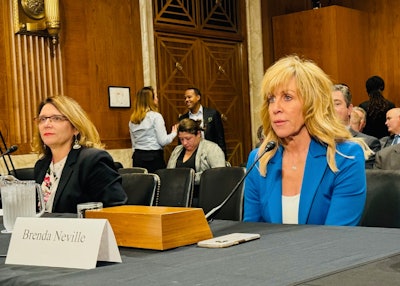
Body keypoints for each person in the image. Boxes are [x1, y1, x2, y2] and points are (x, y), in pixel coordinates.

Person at [244, 55, 371, 226]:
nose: (275, 108)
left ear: (313, 103)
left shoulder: (345, 157)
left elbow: (336, 239)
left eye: (287, 97)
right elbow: (252, 232)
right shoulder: (259, 160)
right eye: (271, 99)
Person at [32, 95, 127, 213]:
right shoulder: (41, 165)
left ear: (75, 127)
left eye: (56, 118)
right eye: (42, 119)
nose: (47, 124)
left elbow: (116, 211)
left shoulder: (93, 161)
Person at [167, 118, 226, 205]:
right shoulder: (177, 150)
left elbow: (218, 175)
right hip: (177, 197)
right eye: (181, 139)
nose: (184, 143)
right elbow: (168, 173)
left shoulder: (212, 149)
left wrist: (188, 179)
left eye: (188, 138)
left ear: (198, 134)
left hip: (202, 197)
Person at [129, 86, 177, 173]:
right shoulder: (156, 117)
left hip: (137, 157)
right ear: (150, 100)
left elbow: (134, 144)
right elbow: (163, 141)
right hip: (153, 158)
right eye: (156, 96)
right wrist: (174, 133)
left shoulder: (132, 120)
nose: (157, 99)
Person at [332, 84, 380, 169]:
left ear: (349, 109)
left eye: (337, 104)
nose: (331, 108)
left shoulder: (368, 143)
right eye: (326, 104)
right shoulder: (315, 141)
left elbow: (366, 177)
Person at [179, 87, 227, 156]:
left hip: (211, 154)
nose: (186, 100)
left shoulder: (212, 114)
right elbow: (181, 142)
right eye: (185, 98)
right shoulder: (183, 118)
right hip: (191, 155)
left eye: (189, 97)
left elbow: (220, 138)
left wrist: (223, 156)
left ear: (198, 97)